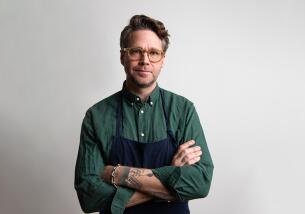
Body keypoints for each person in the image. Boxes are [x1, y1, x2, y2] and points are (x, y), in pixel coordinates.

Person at [74, 14, 214, 214]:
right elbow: (89, 197)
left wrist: (118, 173)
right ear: (122, 56)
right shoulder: (96, 116)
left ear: (162, 60)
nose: (145, 60)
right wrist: (171, 176)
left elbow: (201, 182)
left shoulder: (183, 110)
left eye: (154, 52)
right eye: (136, 51)